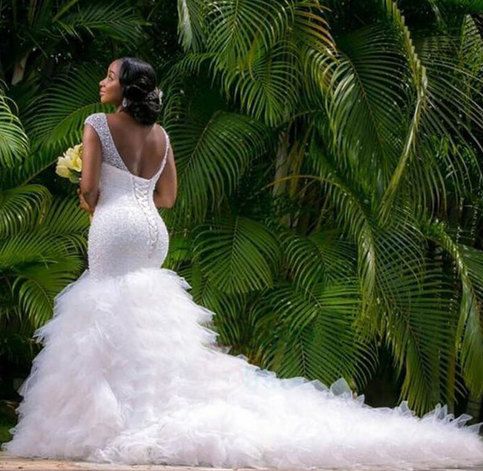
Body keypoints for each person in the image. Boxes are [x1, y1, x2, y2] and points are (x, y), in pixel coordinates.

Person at [2, 57, 483, 470]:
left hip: (114, 228)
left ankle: (121, 415)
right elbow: (167, 197)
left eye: (109, 76)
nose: (102, 83)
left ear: (126, 88)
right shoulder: (161, 134)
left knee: (104, 312)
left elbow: (88, 187)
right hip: (152, 230)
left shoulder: (96, 124)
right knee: (145, 316)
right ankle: (154, 401)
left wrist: (91, 198)